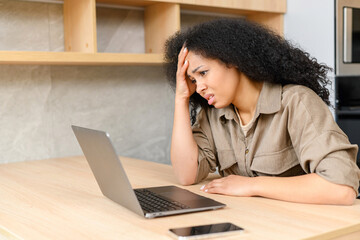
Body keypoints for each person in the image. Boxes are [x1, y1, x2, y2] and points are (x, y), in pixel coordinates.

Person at [163, 18, 360, 205]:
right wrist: (181, 98)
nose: (199, 88)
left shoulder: (296, 102)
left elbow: (341, 188)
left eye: (203, 73)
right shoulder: (212, 114)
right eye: (193, 80)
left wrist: (252, 185)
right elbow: (186, 175)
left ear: (233, 60)